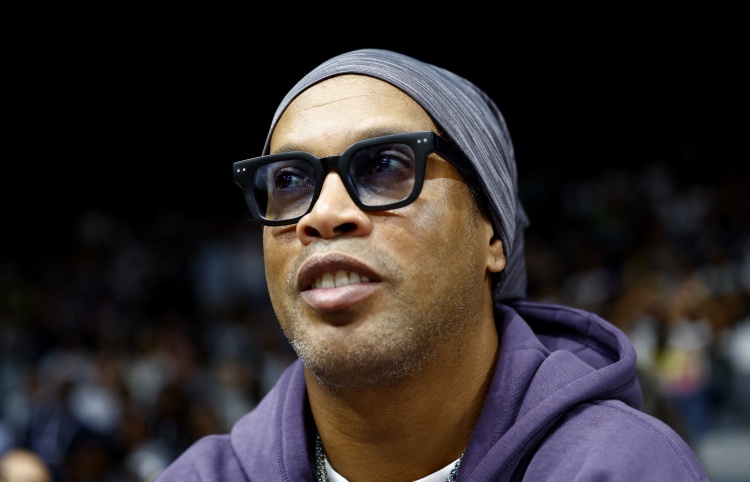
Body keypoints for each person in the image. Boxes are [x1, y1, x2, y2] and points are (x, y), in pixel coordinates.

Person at [155, 49, 710, 481]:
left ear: (492, 235)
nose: (323, 214)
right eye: (289, 180)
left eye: (384, 164)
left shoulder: (620, 468)